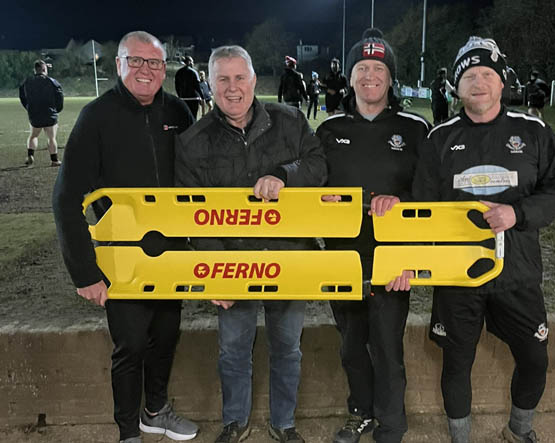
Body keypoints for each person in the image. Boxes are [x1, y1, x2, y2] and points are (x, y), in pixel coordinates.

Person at [412, 36, 555, 443]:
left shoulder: (533, 131)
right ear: (457, 86)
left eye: (487, 73)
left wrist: (517, 214)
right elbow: (421, 208)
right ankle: (460, 437)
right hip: (458, 276)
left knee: (535, 358)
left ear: (502, 83)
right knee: (456, 362)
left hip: (517, 273)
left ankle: (519, 431)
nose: (478, 82)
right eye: (469, 75)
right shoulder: (439, 138)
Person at [175, 45, 327, 443]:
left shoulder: (290, 120)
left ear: (254, 80)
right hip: (232, 262)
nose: (232, 87)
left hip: (289, 257)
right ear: (209, 84)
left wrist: (284, 174)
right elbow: (193, 217)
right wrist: (216, 271)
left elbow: (318, 165)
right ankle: (235, 421)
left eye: (240, 77)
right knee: (232, 351)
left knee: (288, 348)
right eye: (222, 79)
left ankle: (284, 422)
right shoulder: (193, 142)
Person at [52, 31, 197, 443]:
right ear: (118, 64)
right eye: (136, 61)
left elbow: (204, 176)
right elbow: (65, 199)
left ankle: (156, 411)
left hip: (172, 253)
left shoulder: (179, 110)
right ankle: (128, 431)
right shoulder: (97, 117)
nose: (146, 71)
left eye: (154, 63)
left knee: (166, 335)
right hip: (124, 257)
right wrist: (85, 273)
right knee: (131, 345)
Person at [317, 28, 431, 443]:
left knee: (386, 346)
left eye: (377, 68)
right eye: (361, 68)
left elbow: (431, 195)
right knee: (351, 346)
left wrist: (401, 206)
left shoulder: (416, 129)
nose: (369, 75)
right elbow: (311, 187)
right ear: (349, 77)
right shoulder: (328, 129)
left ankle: (391, 423)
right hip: (341, 257)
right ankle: (360, 413)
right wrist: (321, 199)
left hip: (393, 258)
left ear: (390, 77)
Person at [19, 59, 64, 167]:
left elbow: (23, 97)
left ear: (35, 70)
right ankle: (54, 160)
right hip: (50, 114)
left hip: (34, 114)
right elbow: (59, 96)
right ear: (44, 69)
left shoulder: (26, 82)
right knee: (51, 138)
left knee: (33, 136)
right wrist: (57, 110)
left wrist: (29, 108)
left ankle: (30, 155)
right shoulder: (52, 81)